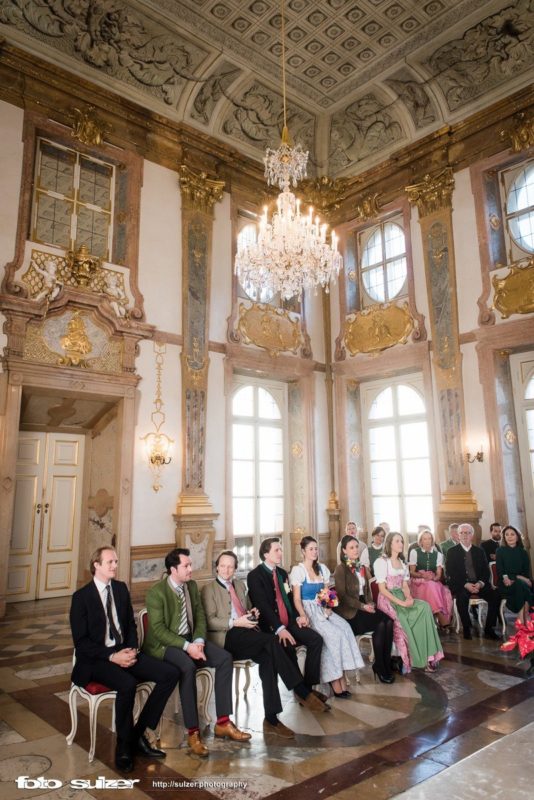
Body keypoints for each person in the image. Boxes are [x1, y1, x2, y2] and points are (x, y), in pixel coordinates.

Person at [70, 547, 179, 772]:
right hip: (96, 660)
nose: (115, 566)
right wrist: (112, 656)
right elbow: (81, 643)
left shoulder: (120, 589)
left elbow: (130, 624)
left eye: (116, 561)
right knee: (128, 684)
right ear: (96, 566)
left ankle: (137, 734)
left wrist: (130, 650)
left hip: (124, 652)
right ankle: (123, 746)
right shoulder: (81, 598)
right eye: (110, 562)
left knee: (170, 673)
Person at [142, 548, 251, 758]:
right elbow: (158, 631)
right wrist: (187, 647)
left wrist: (199, 640)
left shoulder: (191, 586)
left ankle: (223, 722)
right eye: (187, 566)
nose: (191, 569)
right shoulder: (157, 592)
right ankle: (193, 732)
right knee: (188, 667)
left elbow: (200, 616)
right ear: (173, 569)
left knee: (224, 658)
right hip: (165, 646)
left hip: (192, 639)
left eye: (190, 565)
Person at [202, 551, 317, 738]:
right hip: (227, 637)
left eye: (230, 566)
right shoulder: (209, 589)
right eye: (223, 566)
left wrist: (252, 612)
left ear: (235, 568)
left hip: (247, 633)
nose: (226, 570)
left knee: (268, 659)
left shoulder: (239, 585)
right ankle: (299, 687)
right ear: (216, 567)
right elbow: (210, 621)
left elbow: (247, 609)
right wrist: (235, 622)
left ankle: (271, 719)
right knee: (272, 639)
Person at [247, 537, 330, 712]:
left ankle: (307, 688)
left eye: (281, 549)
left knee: (316, 639)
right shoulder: (255, 576)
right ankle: (304, 693)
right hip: (271, 628)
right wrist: (279, 628)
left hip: (289, 622)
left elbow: (289, 600)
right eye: (277, 550)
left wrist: (299, 616)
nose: (280, 553)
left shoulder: (283, 573)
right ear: (265, 553)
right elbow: (262, 606)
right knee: (286, 645)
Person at [289, 536, 364, 698]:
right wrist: (303, 615)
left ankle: (341, 676)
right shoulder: (299, 571)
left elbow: (327, 593)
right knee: (333, 636)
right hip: (308, 610)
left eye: (316, 549)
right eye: (311, 549)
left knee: (344, 628)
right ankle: (334, 681)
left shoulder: (322, 569)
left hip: (322, 608)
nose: (315, 552)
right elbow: (296, 599)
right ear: (303, 551)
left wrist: (328, 606)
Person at [375, 532, 444, 673]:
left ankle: (428, 656)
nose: (401, 544)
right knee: (403, 616)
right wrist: (401, 603)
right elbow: (382, 590)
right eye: (397, 541)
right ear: (389, 544)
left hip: (401, 595)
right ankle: (413, 659)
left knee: (424, 607)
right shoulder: (381, 562)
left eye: (401, 541)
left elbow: (405, 585)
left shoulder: (402, 563)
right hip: (388, 599)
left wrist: (408, 598)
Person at [334, 534, 395, 684]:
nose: (355, 550)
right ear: (344, 551)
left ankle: (384, 664)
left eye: (356, 547)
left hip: (364, 606)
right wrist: (363, 606)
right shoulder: (341, 569)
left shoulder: (361, 567)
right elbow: (342, 596)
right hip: (351, 612)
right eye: (351, 548)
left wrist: (370, 603)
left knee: (389, 621)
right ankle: (380, 666)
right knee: (381, 624)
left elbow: (367, 590)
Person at [445, 523, 500, 640]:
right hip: (462, 585)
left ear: (472, 535)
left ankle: (489, 628)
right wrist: (465, 584)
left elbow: (486, 571)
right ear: (458, 535)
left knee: (495, 596)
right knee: (462, 598)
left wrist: (480, 583)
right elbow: (450, 572)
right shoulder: (452, 552)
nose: (465, 535)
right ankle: (466, 627)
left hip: (479, 584)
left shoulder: (479, 551)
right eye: (462, 533)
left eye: (468, 533)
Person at [408, 530, 453, 629]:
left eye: (429, 538)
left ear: (432, 540)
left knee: (434, 586)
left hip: (433, 581)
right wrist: (422, 576)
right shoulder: (414, 552)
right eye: (425, 539)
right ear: (421, 541)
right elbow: (412, 572)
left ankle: (435, 615)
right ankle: (440, 615)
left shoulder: (438, 555)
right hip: (418, 581)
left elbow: (438, 575)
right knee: (430, 586)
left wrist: (433, 578)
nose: (427, 541)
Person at [496, 525, 533, 624]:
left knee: (522, 585)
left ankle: (523, 616)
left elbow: (526, 572)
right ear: (504, 537)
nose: (509, 537)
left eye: (512, 534)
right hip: (505, 583)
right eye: (507, 534)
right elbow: (500, 570)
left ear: (517, 536)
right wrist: (516, 577)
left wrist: (522, 578)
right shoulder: (500, 551)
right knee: (521, 585)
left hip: (521, 582)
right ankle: (524, 616)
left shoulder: (523, 552)